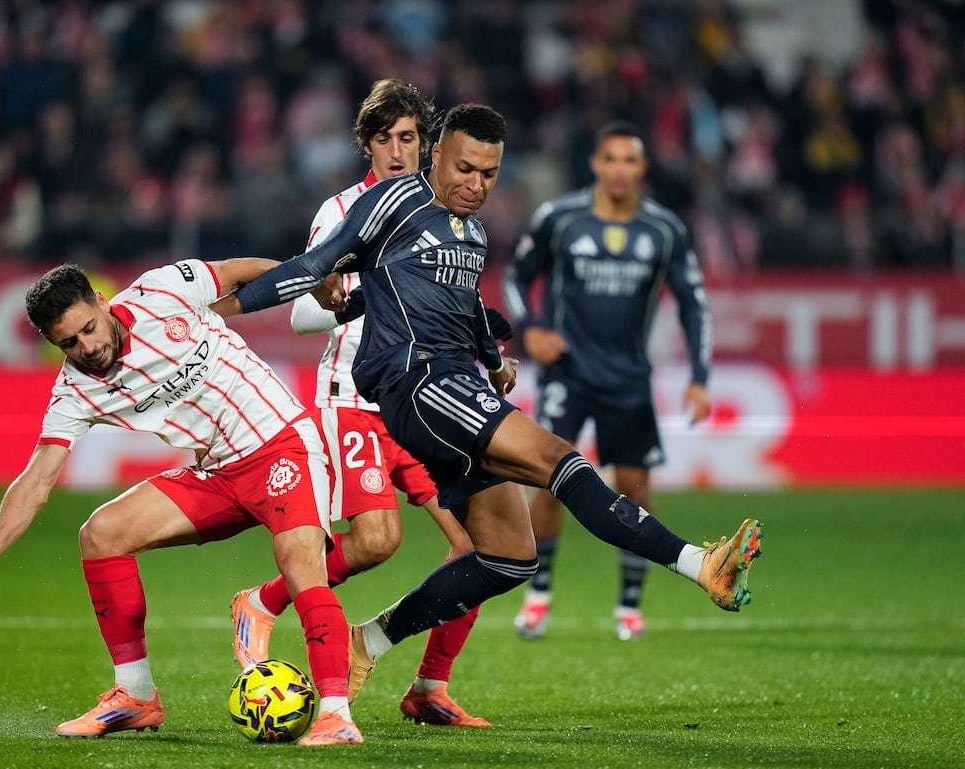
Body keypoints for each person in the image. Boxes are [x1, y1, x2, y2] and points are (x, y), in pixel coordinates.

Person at [220, 104, 762, 703]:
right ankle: (695, 562)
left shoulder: (471, 232)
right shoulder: (393, 201)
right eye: (464, 168)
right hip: (419, 385)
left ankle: (366, 642)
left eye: (489, 174)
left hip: (459, 384)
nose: (475, 185)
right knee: (559, 460)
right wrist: (223, 311)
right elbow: (316, 266)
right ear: (435, 156)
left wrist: (495, 356)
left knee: (508, 557)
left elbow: (466, 306)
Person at [0, 260, 363, 746]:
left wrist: (316, 277)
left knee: (299, 563)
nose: (87, 348)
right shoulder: (74, 390)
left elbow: (244, 269)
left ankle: (334, 714)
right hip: (216, 474)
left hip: (280, 444)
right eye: (68, 344)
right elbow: (37, 478)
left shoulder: (162, 291)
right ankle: (136, 697)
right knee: (101, 534)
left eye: (88, 330)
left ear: (102, 301)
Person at [229, 79, 492, 727]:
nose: (398, 150)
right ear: (366, 145)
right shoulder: (343, 210)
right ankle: (262, 600)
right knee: (376, 541)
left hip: (427, 400)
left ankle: (429, 686)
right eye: (385, 138)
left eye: (409, 138)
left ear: (427, 146)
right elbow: (300, 321)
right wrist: (380, 295)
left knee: (482, 550)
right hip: (357, 399)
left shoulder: (447, 218)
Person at [505, 120, 713, 642]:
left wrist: (700, 378)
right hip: (568, 374)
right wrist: (530, 331)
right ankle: (538, 597)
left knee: (635, 488)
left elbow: (694, 303)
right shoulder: (561, 218)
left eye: (630, 161)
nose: (619, 170)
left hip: (628, 379)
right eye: (610, 159)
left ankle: (629, 606)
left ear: (642, 169)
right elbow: (515, 276)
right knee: (548, 482)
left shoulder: (663, 229)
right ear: (596, 164)